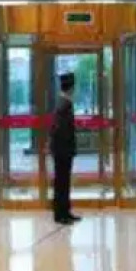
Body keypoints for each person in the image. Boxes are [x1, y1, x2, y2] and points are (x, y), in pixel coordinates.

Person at [49, 72, 81, 225]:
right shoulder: (64, 104)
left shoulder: (63, 102)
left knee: (63, 182)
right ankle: (61, 214)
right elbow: (61, 131)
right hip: (63, 151)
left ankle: (65, 212)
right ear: (71, 88)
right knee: (62, 182)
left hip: (61, 150)